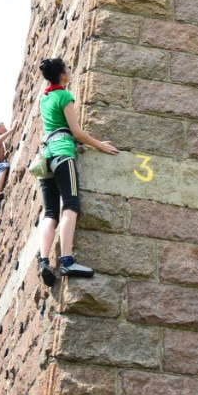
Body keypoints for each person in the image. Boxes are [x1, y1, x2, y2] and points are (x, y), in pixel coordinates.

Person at [35, 56, 118, 285]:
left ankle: (43, 261)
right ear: (63, 76)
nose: (70, 70)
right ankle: (67, 261)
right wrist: (101, 145)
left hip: (46, 156)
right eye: (68, 68)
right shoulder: (64, 96)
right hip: (62, 154)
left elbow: (59, 127)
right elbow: (76, 132)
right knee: (70, 205)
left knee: (50, 213)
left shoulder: (46, 98)